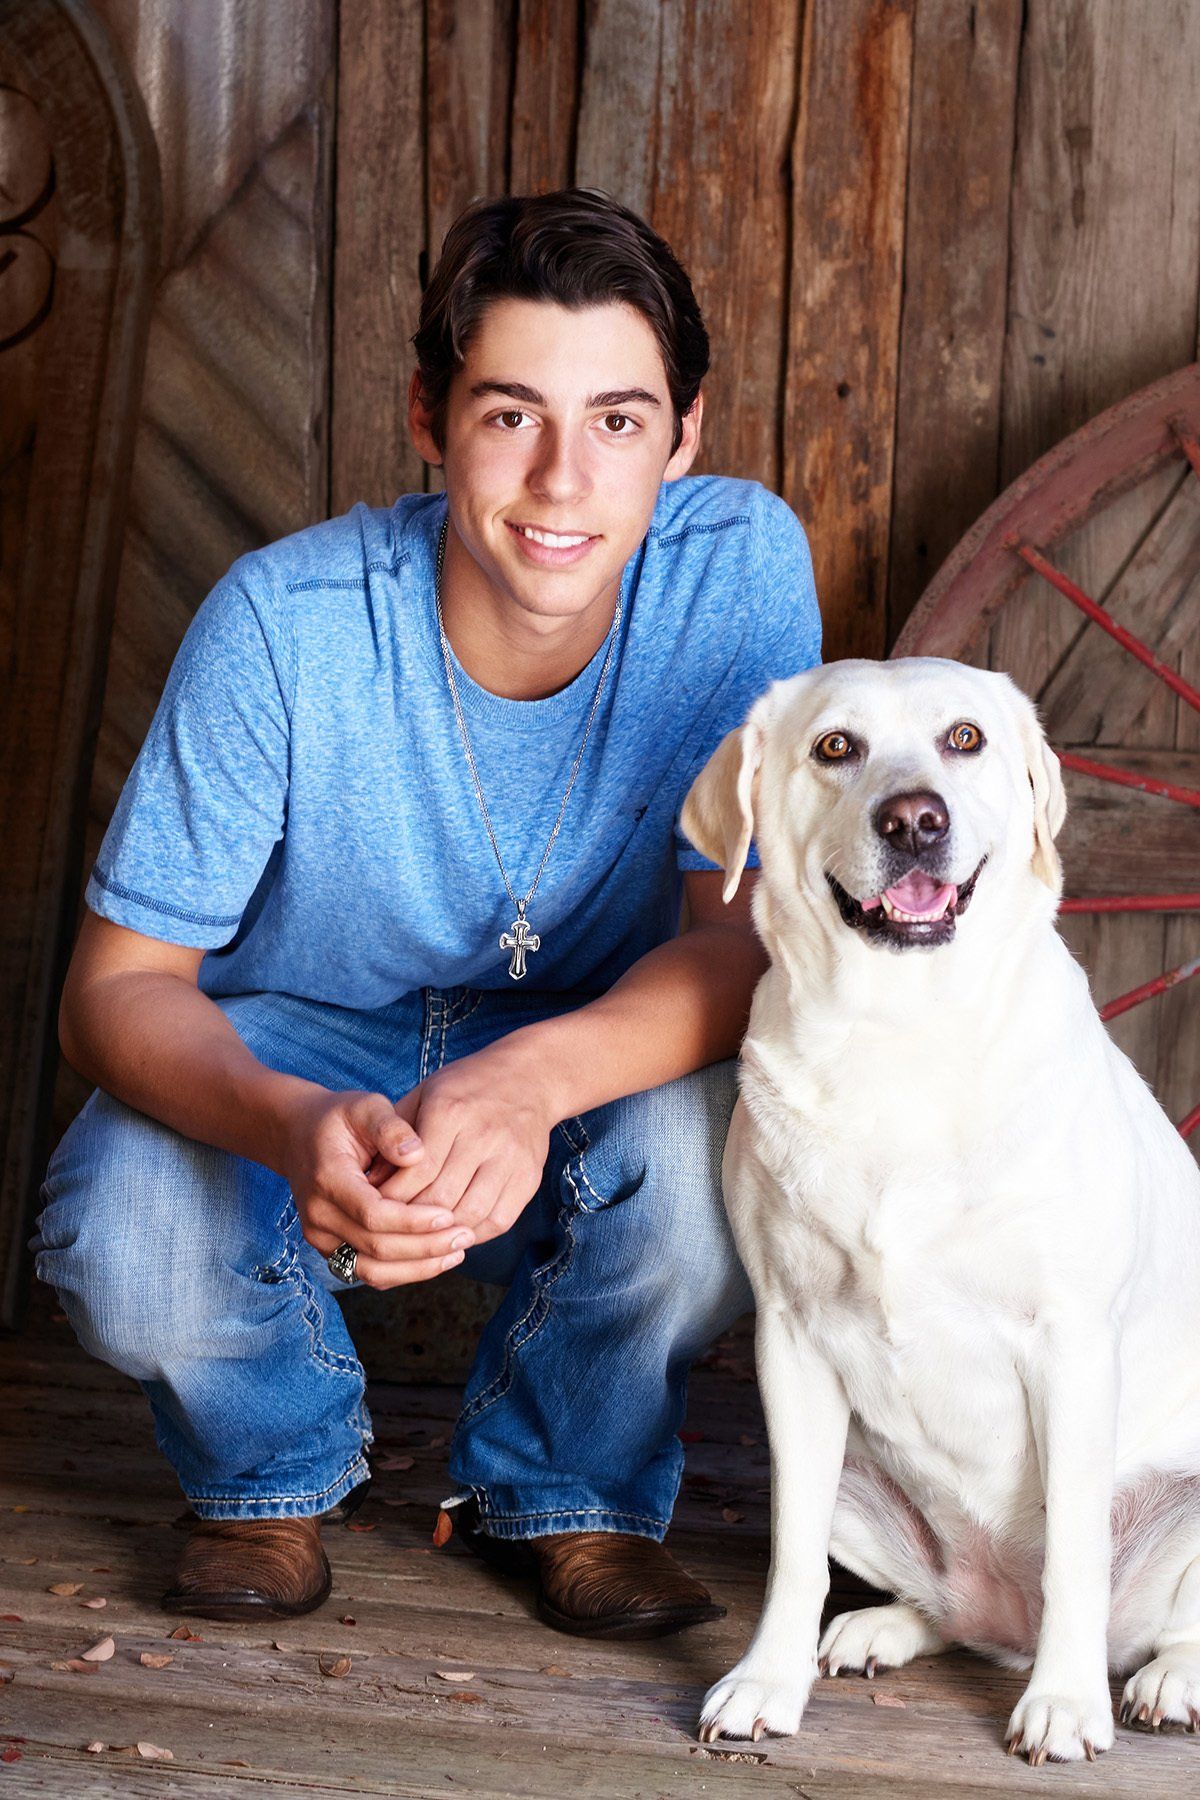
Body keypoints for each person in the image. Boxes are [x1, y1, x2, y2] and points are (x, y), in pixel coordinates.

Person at [32, 189, 821, 1638]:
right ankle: (267, 1469)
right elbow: (116, 989)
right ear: (428, 414)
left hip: (590, 1040)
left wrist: (526, 1081)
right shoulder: (286, 620)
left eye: (621, 422)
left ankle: (568, 1487)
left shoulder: (736, 572)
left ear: (688, 434)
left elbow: (738, 940)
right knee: (119, 1232)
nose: (564, 481)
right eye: (512, 415)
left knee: (721, 1168)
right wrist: (284, 1121)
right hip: (300, 1041)